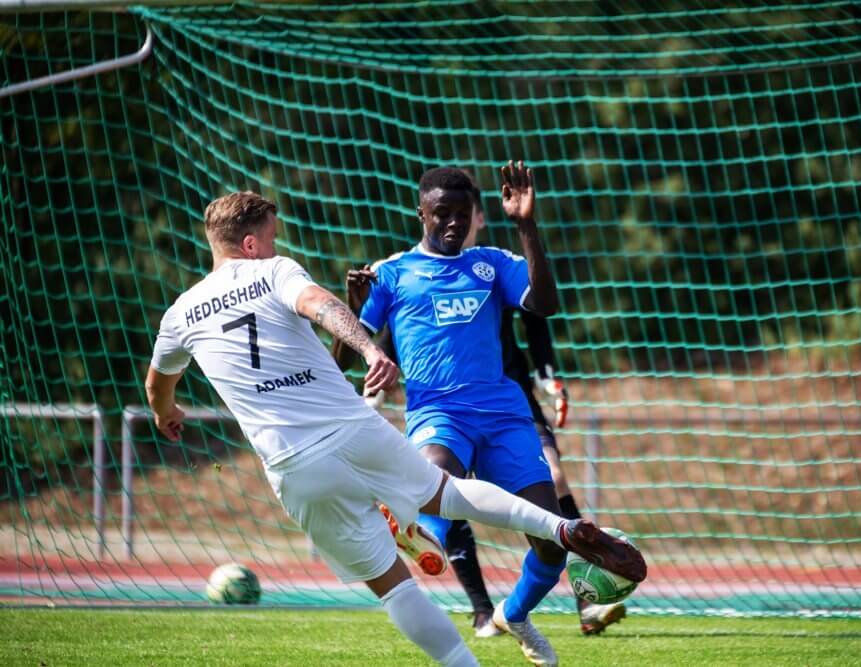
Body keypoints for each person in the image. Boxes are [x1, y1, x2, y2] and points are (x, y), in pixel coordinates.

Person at [145, 191, 646, 667]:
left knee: (396, 589)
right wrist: (369, 348)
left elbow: (157, 385)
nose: (275, 246)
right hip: (353, 429)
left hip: (293, 467)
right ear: (250, 245)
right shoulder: (272, 270)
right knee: (451, 494)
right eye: (271, 238)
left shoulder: (180, 314)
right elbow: (322, 306)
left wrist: (166, 412)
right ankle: (559, 526)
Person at [334, 163, 635, 666]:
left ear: (475, 214)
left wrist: (526, 224)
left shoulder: (491, 263)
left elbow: (545, 304)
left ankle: (514, 615)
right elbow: (339, 361)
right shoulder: (390, 274)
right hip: (438, 411)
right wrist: (353, 306)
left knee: (550, 544)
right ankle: (412, 524)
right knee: (436, 473)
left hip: (504, 415)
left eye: (462, 214)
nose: (453, 224)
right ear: (421, 213)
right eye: (441, 215)